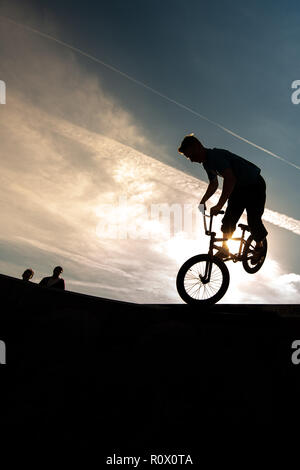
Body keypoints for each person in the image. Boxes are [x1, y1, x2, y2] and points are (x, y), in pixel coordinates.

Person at [178, 134, 268, 261]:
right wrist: (203, 201)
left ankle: (259, 246)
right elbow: (214, 184)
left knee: (253, 220)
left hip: (254, 184)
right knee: (228, 220)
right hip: (239, 188)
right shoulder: (207, 164)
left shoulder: (215, 156)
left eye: (191, 156)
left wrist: (219, 205)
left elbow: (229, 179)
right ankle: (225, 249)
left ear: (197, 147)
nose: (191, 160)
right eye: (189, 158)